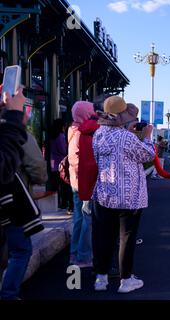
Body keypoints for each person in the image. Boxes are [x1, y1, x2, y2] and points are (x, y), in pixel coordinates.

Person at [92, 96, 155, 293]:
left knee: (104, 237)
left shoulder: (98, 135)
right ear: (122, 116)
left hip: (104, 192)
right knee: (126, 238)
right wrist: (147, 137)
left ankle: (100, 278)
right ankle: (125, 280)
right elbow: (148, 155)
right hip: (129, 196)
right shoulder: (125, 137)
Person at [0, 104, 47, 300]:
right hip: (14, 203)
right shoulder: (18, 136)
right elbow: (37, 169)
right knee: (20, 250)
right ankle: (9, 294)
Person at [68, 101, 96, 267]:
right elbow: (78, 160)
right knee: (87, 219)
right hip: (84, 183)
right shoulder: (81, 133)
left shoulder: (73, 130)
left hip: (75, 182)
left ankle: (74, 253)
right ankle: (84, 256)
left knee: (79, 219)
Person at [50, 118, 73, 212]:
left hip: (53, 165)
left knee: (58, 186)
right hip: (62, 165)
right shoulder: (61, 137)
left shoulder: (52, 137)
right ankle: (66, 204)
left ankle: (61, 203)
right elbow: (64, 151)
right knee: (65, 186)